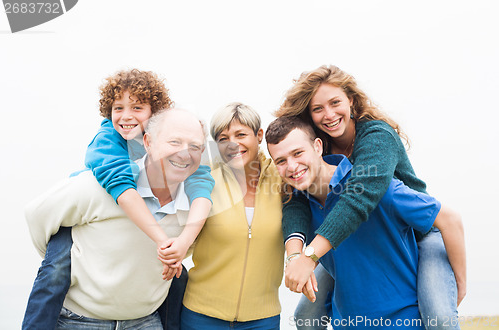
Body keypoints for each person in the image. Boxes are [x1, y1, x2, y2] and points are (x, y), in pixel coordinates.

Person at [274, 65, 466, 329]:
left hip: (419, 232)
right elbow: (296, 199)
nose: (329, 115)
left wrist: (310, 257)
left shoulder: (377, 137)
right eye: (317, 109)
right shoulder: (318, 146)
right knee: (306, 316)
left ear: (351, 101)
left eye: (335, 103)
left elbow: (358, 198)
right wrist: (296, 257)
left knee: (440, 317)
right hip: (348, 236)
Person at [22, 69, 214, 330]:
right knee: (55, 267)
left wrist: (178, 246)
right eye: (118, 108)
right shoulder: (108, 143)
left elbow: (202, 182)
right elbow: (119, 188)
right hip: (107, 190)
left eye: (137, 107)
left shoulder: (180, 151)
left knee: (177, 277)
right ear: (149, 142)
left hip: (142, 317)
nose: (126, 116)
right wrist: (161, 241)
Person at [180, 103, 284, 329]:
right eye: (223, 138)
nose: (233, 144)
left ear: (259, 136)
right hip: (200, 316)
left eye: (241, 134)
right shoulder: (205, 181)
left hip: (263, 319)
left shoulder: (283, 180)